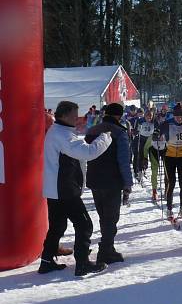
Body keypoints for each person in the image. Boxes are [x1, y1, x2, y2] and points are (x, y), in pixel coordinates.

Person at [39, 100, 112, 276]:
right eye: (74, 115)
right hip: (64, 189)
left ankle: (46, 261)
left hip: (55, 188)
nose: (76, 118)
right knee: (85, 225)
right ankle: (82, 263)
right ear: (63, 115)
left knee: (57, 226)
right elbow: (87, 152)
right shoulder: (62, 135)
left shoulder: (59, 131)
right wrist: (106, 136)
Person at [83, 103, 134, 264]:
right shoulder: (119, 132)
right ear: (118, 116)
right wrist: (128, 184)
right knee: (111, 217)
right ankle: (106, 251)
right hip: (112, 181)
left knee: (103, 215)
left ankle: (106, 247)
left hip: (95, 180)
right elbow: (124, 161)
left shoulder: (92, 131)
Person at [155, 104, 182, 220]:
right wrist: (157, 136)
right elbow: (157, 132)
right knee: (171, 182)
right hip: (169, 156)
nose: (179, 118)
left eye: (181, 116)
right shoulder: (167, 123)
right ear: (173, 115)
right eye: (177, 116)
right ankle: (169, 209)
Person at [133, 109, 156, 185]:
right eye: (147, 117)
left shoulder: (154, 121)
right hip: (142, 139)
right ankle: (139, 171)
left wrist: (157, 134)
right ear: (145, 116)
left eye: (150, 117)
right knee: (141, 155)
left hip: (150, 140)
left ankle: (145, 168)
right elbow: (136, 129)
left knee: (149, 155)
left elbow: (157, 130)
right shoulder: (140, 121)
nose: (149, 119)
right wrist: (136, 131)